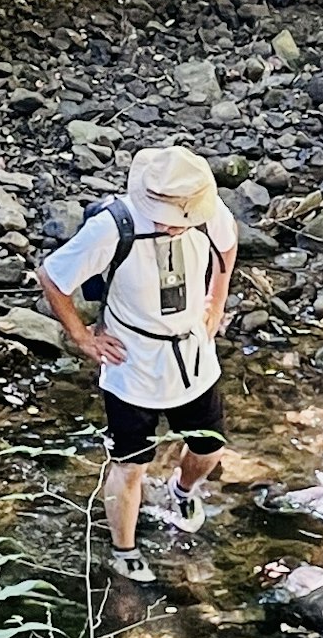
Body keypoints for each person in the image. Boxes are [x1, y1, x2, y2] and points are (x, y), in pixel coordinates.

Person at [35, 144, 236, 585]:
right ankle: (124, 552)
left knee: (210, 447)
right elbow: (52, 276)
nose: (173, 225)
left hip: (193, 355)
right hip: (132, 363)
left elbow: (228, 244)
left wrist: (216, 302)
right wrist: (83, 337)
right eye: (166, 216)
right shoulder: (113, 227)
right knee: (130, 464)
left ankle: (181, 490)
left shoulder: (208, 211)